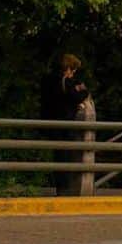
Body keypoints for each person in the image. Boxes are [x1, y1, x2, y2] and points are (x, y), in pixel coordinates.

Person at [40, 54, 90, 195]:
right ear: (67, 68)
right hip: (64, 124)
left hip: (50, 121)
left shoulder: (47, 80)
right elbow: (78, 95)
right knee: (65, 156)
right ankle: (64, 189)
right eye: (73, 70)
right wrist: (83, 90)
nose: (73, 73)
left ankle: (60, 187)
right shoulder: (64, 82)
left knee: (59, 156)